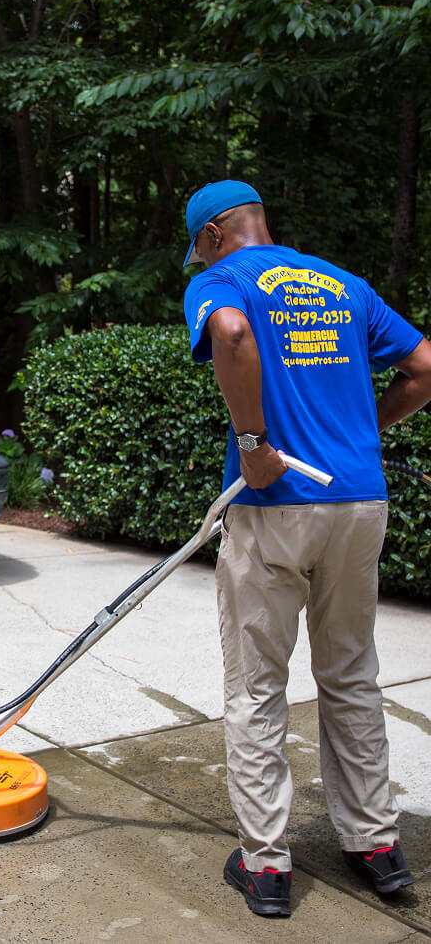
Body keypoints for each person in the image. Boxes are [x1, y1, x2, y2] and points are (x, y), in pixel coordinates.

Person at [181, 180, 431, 918]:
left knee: (258, 684)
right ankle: (375, 847)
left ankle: (266, 866)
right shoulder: (343, 286)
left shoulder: (220, 280)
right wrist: (365, 430)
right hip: (359, 502)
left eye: (196, 245)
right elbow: (424, 369)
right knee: (351, 672)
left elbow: (229, 333)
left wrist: (255, 445)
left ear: (214, 234)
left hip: (274, 506)